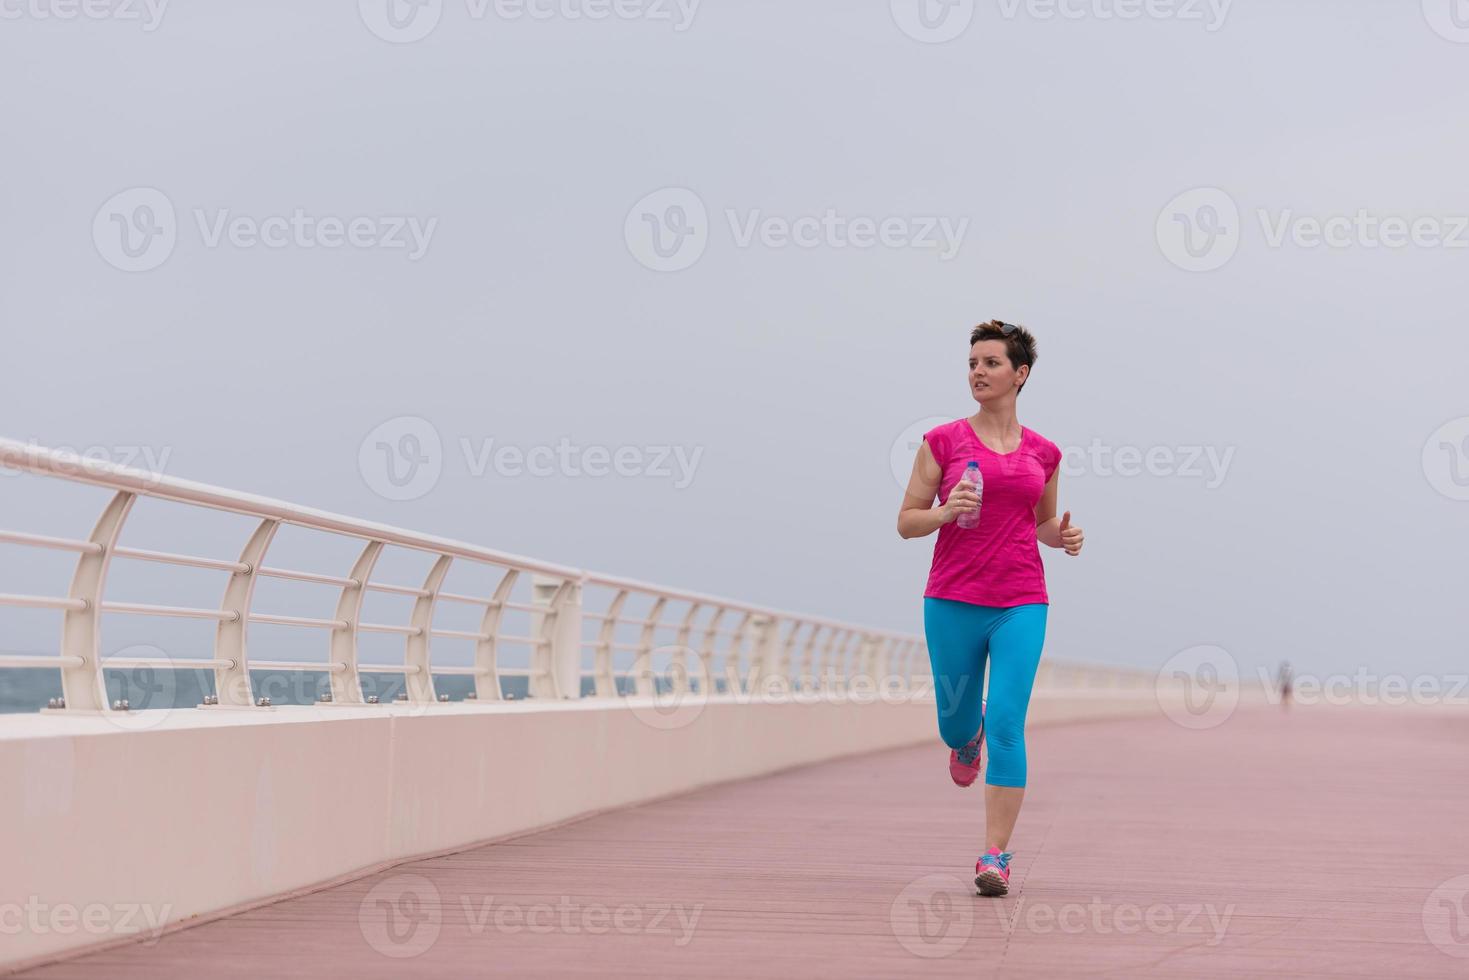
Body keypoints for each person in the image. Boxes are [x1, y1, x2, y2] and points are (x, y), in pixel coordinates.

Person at [896, 319, 1084, 897]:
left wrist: (1063, 537)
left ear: (1019, 374)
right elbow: (907, 523)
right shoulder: (944, 442)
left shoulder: (1044, 452)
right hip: (952, 598)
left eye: (991, 363)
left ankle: (995, 856)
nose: (978, 371)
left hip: (1022, 601)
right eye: (973, 362)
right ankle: (965, 735)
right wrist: (948, 509)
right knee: (956, 722)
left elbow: (1042, 523)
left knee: (1008, 722)